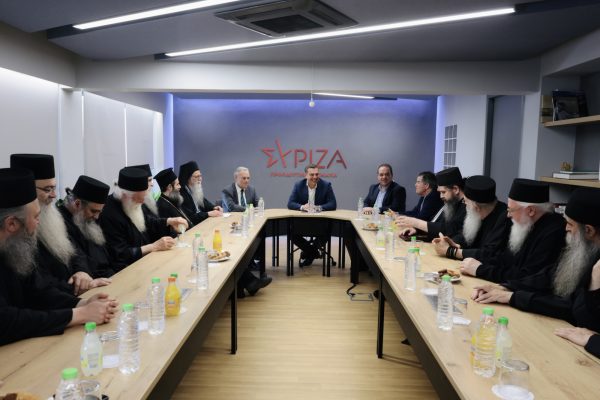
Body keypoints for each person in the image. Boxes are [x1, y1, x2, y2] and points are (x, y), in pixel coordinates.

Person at [471, 187, 600, 358]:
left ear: (589, 230)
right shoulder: (585, 249)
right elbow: (550, 276)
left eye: (570, 224)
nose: (565, 229)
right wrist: (507, 288)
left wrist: (593, 340)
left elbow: (572, 308)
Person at [0, 168, 118, 345]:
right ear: (11, 224)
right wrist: (79, 315)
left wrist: (81, 303)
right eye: (36, 217)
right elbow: (5, 321)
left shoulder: (14, 246)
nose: (38, 223)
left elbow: (38, 290)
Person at [10, 153, 105, 295]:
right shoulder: (18, 229)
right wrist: (75, 290)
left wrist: (82, 272)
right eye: (47, 189)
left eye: (54, 188)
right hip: (57, 299)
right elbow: (38, 283)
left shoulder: (53, 217)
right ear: (26, 189)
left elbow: (75, 251)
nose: (54, 195)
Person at [461, 178, 565, 292]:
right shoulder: (527, 223)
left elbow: (526, 277)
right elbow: (507, 259)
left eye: (511, 210)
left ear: (531, 211)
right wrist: (476, 264)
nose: (508, 215)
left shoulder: (553, 233)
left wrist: (481, 270)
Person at [99, 167, 188, 271]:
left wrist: (169, 221)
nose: (142, 202)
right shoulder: (109, 213)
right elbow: (119, 254)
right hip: (126, 269)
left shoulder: (132, 201)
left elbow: (147, 221)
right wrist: (153, 247)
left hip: (145, 262)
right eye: (140, 198)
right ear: (126, 195)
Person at [433, 175, 510, 262]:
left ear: (476, 207)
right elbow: (466, 236)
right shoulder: (479, 213)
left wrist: (452, 252)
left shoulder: (504, 218)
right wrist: (452, 243)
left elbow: (489, 253)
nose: (464, 205)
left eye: (465, 202)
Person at [59, 175, 117, 279]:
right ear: (77, 204)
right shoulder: (60, 223)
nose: (96, 217)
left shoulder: (86, 219)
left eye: (99, 212)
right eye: (93, 211)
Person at [396, 166, 466, 242]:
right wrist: (416, 230)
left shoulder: (465, 206)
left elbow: (449, 229)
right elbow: (435, 221)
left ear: (455, 189)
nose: (441, 196)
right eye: (440, 192)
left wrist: (415, 222)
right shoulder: (451, 202)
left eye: (443, 192)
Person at [287, 164, 337, 267]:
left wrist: (318, 207)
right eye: (312, 174)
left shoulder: (326, 185)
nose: (315, 177)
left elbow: (333, 204)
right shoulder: (298, 185)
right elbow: (290, 203)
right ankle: (312, 252)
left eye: (317, 174)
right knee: (291, 232)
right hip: (303, 221)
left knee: (327, 230)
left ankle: (309, 253)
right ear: (306, 175)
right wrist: (302, 207)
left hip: (320, 222)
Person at [179, 161, 223, 226]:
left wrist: (214, 208)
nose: (200, 179)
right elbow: (191, 217)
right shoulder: (182, 194)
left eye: (200, 176)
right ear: (187, 178)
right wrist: (208, 214)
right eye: (196, 176)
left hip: (201, 222)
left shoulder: (194, 189)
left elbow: (204, 203)